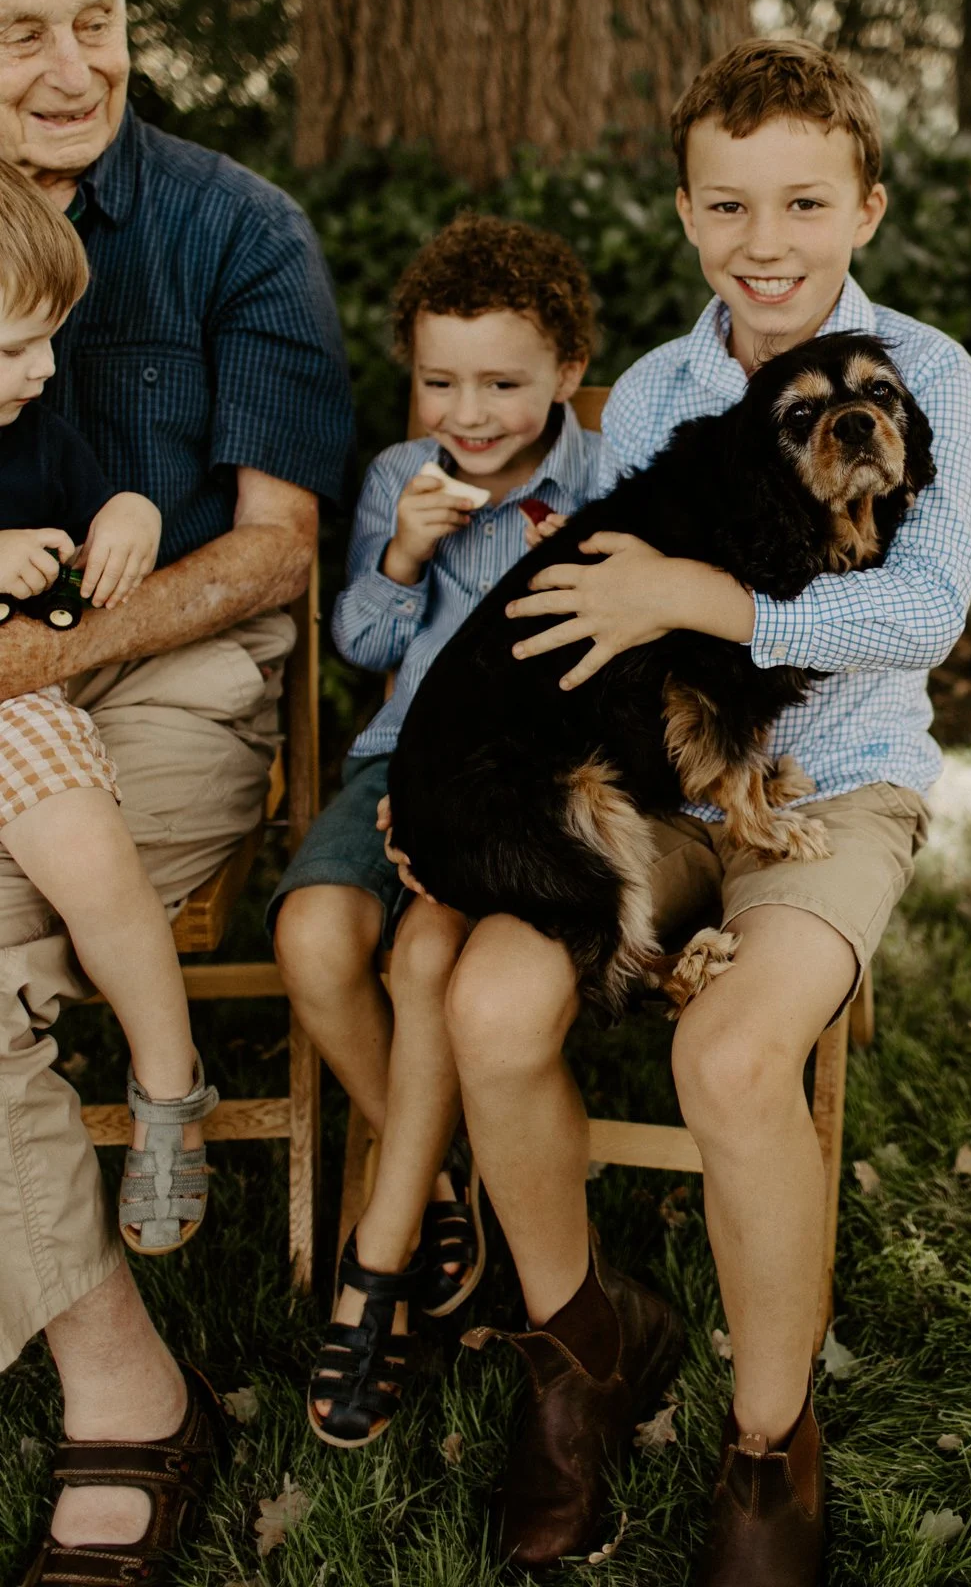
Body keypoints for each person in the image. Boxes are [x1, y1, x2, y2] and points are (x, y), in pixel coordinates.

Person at [443, 39, 971, 1582]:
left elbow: (925, 611)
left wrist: (712, 601)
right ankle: (583, 1344)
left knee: (732, 1055)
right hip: (663, 783)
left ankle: (766, 1443)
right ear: (685, 212)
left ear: (865, 208)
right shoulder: (661, 396)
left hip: (844, 781)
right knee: (490, 1004)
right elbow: (602, 634)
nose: (766, 242)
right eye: (730, 205)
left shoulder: (924, 374)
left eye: (804, 202)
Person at [0, 0, 351, 1585]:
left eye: (97, 20)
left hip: (176, 671)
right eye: (19, 35)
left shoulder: (237, 227)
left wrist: (46, 653)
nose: (73, 68)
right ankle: (127, 1365)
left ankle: (125, 1403)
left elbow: (277, 549)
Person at [270, 214, 603, 1448]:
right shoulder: (401, 474)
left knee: (422, 959)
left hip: (515, 778)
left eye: (503, 383)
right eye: (439, 380)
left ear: (567, 370)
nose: (468, 412)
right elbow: (361, 641)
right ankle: (448, 1175)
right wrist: (406, 552)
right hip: (395, 753)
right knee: (314, 934)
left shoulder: (604, 485)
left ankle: (380, 1259)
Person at [0, 160, 221, 1258]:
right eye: (14, 348)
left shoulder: (33, 428)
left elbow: (104, 497)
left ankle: (169, 1086)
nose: (44, 368)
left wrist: (130, 509)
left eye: (50, 338)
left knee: (93, 855)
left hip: (14, 705)